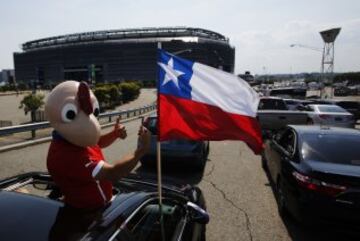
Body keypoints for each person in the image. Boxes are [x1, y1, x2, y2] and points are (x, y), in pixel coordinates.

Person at [45, 80, 151, 210]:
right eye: (71, 114)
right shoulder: (67, 156)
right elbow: (113, 173)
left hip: (97, 203)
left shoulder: (73, 138)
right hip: (91, 212)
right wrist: (140, 151)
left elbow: (96, 143)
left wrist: (114, 134)